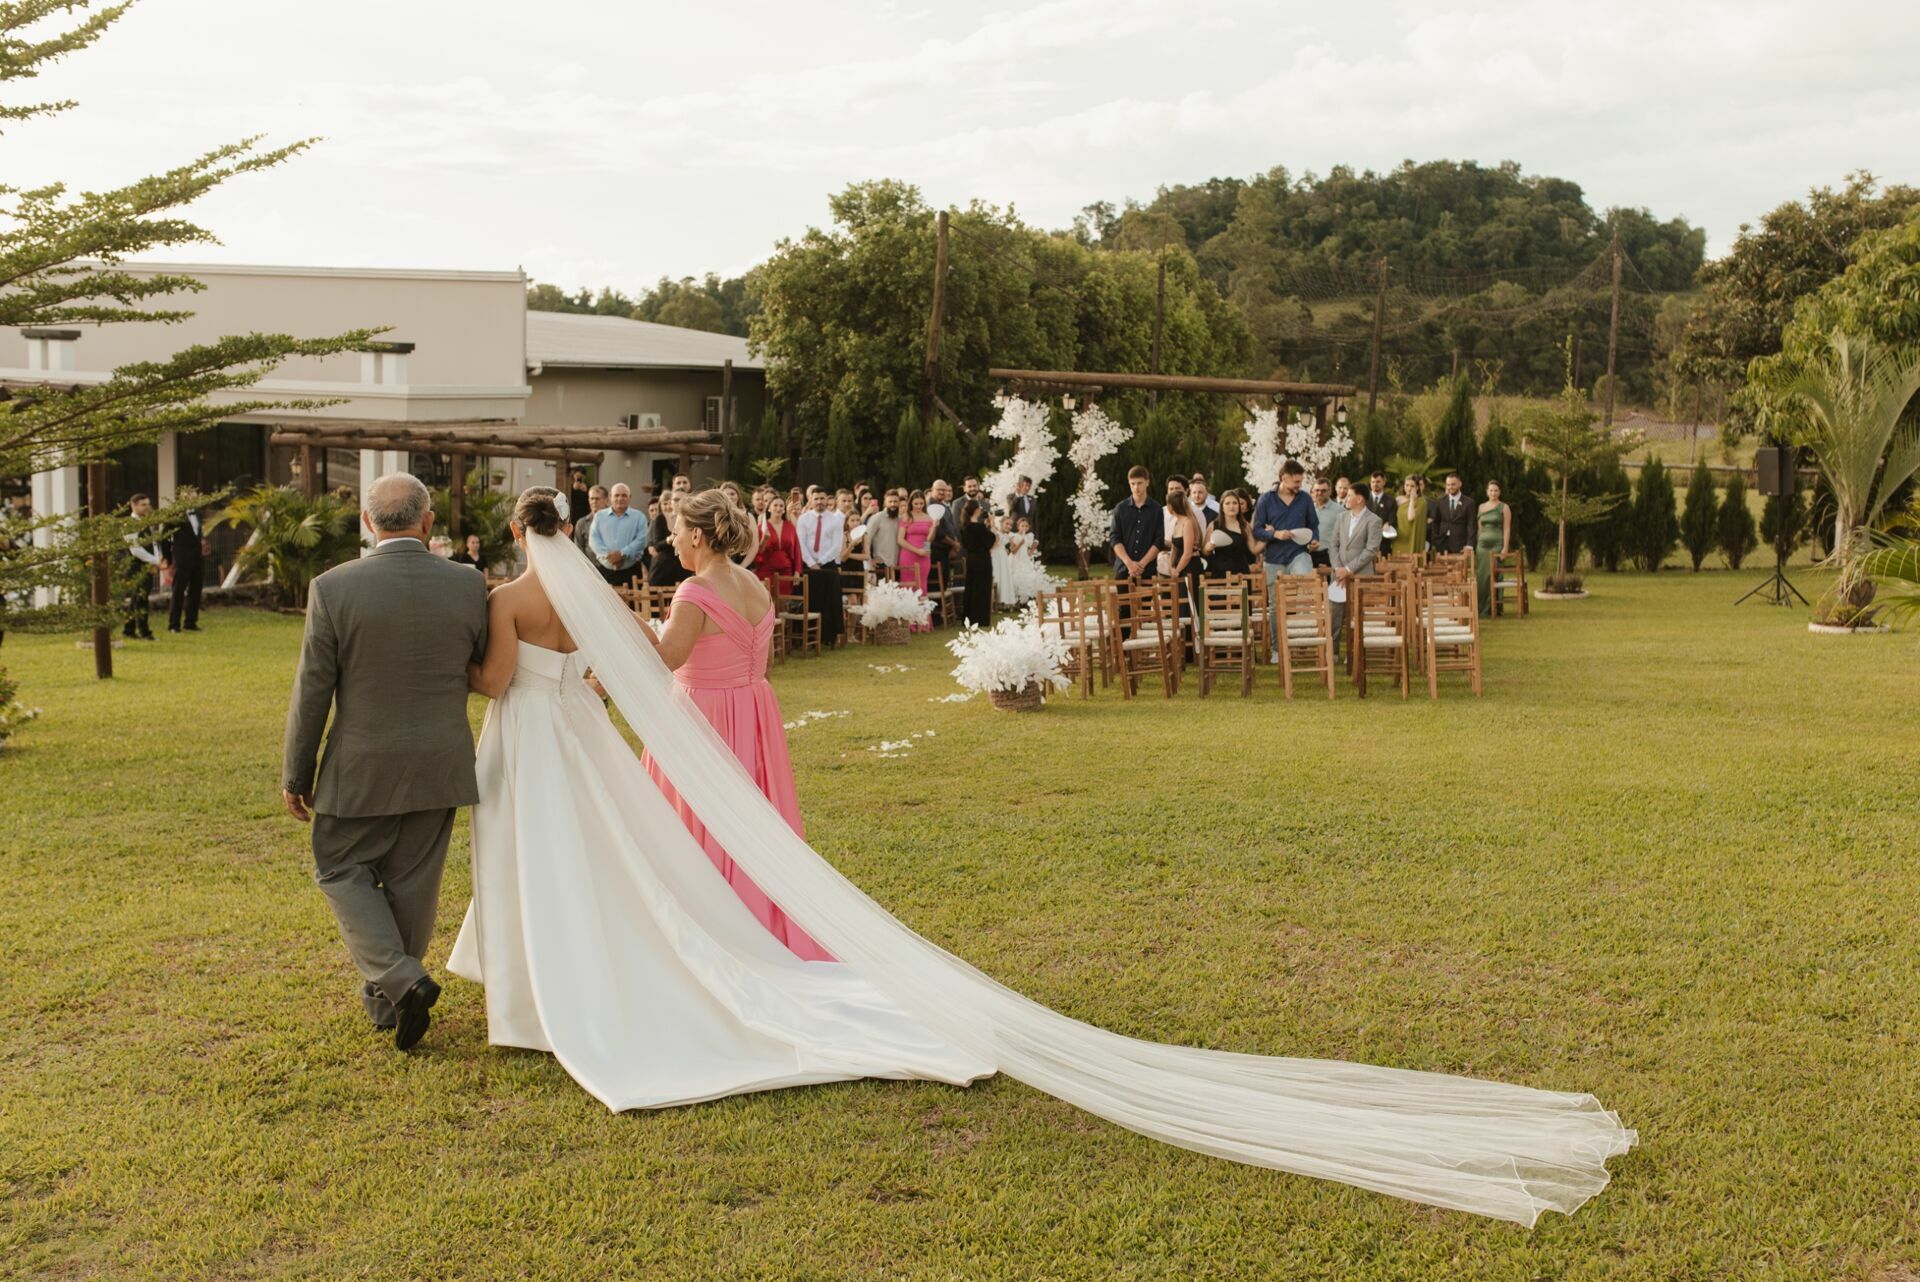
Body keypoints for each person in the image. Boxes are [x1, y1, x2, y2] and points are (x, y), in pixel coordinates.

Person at [431, 486, 1634, 1213]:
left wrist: (610, 649)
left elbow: (643, 664)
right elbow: (703, 656)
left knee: (691, 851)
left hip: (698, 726)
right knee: (741, 849)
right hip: (747, 726)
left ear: (690, 539)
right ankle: (759, 931)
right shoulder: (742, 589)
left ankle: (735, 945)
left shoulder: (665, 596)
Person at [281, 472, 489, 1049]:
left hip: (362, 764)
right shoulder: (469, 585)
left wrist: (296, 775)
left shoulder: (332, 588)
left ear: (368, 523)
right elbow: (481, 664)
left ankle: (400, 981)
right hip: (441, 761)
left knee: (337, 866)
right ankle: (392, 1000)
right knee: (412, 883)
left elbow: (312, 691)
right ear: (428, 521)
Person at [1252, 461, 1319, 656]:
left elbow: (1313, 525)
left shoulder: (1305, 499)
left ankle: (1302, 642)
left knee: (1306, 595)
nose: (1299, 485)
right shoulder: (1265, 499)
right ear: (1284, 478)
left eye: (1300, 481)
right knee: (1275, 605)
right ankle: (1277, 649)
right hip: (1274, 558)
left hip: (1298, 553)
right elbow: (1256, 529)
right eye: (1296, 481)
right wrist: (1275, 535)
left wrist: (1314, 539)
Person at [1327, 484, 1383, 657]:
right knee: (1335, 614)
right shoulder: (1341, 517)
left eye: (1349, 495)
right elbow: (1333, 544)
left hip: (1361, 575)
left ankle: (1356, 654)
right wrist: (1339, 569)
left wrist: (1349, 569)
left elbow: (1371, 550)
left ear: (1359, 499)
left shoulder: (1374, 520)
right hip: (1338, 575)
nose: (1345, 498)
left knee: (1358, 616)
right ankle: (1333, 652)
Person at [794, 487, 845, 647]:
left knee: (830, 602)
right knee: (809, 601)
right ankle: (805, 638)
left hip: (828, 566)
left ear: (828, 500)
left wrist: (821, 562)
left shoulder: (835, 520)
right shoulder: (803, 519)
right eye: (816, 499)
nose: (819, 502)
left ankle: (828, 637)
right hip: (808, 565)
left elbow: (837, 546)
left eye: (822, 498)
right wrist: (811, 563)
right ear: (811, 500)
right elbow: (800, 543)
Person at [589, 483, 647, 589]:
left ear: (630, 497)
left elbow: (642, 540)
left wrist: (622, 554)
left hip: (631, 571)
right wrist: (609, 555)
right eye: (617, 495)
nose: (620, 498)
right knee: (603, 604)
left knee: (632, 605)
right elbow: (593, 539)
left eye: (624, 495)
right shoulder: (599, 517)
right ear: (610, 497)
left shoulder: (639, 517)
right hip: (605, 571)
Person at [1109, 467, 1162, 581]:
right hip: (1123, 569)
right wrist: (1129, 564)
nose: (1136, 487)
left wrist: (1142, 564)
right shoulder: (1120, 509)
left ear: (1147, 482)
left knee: (1148, 600)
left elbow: (1159, 540)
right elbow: (1114, 538)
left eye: (1139, 483)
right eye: (1132, 484)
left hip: (1148, 570)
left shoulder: (1156, 509)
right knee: (1122, 600)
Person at [897, 491, 936, 632]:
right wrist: (916, 550)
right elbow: (900, 540)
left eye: (921, 504)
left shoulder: (929, 517)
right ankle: (908, 623)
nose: (919, 506)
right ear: (911, 503)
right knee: (908, 588)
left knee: (922, 587)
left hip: (924, 557)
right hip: (908, 555)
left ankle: (923, 623)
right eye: (916, 504)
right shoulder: (906, 516)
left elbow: (929, 540)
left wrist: (934, 527)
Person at [164, 504, 206, 632]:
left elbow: (197, 534)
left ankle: (190, 622)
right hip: (182, 558)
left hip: (197, 558)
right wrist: (168, 558)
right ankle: (174, 624)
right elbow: (165, 536)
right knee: (178, 591)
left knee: (196, 589)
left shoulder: (198, 513)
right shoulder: (176, 515)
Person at [123, 493, 160, 641]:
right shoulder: (129, 524)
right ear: (134, 505)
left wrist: (157, 559)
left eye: (147, 504)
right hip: (136, 567)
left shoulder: (146, 522)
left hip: (147, 565)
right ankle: (144, 632)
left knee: (137, 599)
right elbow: (135, 550)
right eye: (143, 505)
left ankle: (128, 629)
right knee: (140, 600)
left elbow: (153, 543)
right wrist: (154, 560)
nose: (146, 508)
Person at [1476, 479, 1512, 617]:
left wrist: (1505, 548)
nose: (1493, 493)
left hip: (1497, 544)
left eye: (1496, 490)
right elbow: (1479, 528)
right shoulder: (1481, 507)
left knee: (1494, 574)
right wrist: (1478, 543)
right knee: (1482, 576)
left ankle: (1494, 608)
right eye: (1491, 490)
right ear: (1487, 492)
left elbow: (1507, 529)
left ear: (1500, 492)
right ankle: (1481, 607)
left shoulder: (1504, 507)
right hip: (1482, 546)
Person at [751, 494, 801, 596]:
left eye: (781, 506)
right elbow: (757, 552)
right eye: (775, 505)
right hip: (766, 570)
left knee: (784, 603)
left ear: (784, 509)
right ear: (769, 508)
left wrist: (797, 571)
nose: (778, 508)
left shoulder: (790, 526)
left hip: (786, 571)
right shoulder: (761, 527)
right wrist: (764, 539)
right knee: (768, 601)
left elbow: (797, 550)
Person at [959, 500, 995, 627]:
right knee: (982, 588)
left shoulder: (965, 526)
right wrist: (992, 525)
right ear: (976, 510)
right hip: (982, 559)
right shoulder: (979, 527)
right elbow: (991, 541)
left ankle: (969, 617)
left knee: (971, 587)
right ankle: (981, 618)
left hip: (971, 559)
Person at [1205, 489, 1256, 579]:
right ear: (1222, 507)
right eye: (1227, 503)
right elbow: (1205, 552)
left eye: (1235, 503)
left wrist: (1268, 536)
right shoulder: (1213, 525)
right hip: (1220, 573)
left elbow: (1254, 549)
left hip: (1241, 573)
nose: (1231, 506)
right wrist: (1208, 548)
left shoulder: (1245, 525)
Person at [647, 493, 688, 588]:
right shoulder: (660, 518)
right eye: (675, 500)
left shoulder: (689, 519)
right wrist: (670, 539)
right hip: (662, 569)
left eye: (681, 500)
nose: (678, 503)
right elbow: (657, 546)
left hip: (682, 569)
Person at [1430, 472, 1474, 555]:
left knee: (1459, 568)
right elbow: (1436, 522)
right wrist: (1435, 540)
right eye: (1448, 485)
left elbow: (1471, 525)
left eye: (1453, 484)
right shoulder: (1440, 501)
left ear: (1460, 484)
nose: (1450, 487)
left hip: (1460, 545)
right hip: (1442, 544)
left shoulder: (1469, 503)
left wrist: (1469, 545)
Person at [866, 489, 902, 576]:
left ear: (899, 503)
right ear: (885, 503)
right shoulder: (876, 518)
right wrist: (870, 559)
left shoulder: (901, 519)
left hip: (897, 565)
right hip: (880, 564)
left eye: (895, 501)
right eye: (890, 501)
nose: (893, 504)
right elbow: (867, 540)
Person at [1310, 478, 1341, 570]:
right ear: (1312, 491)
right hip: (1308, 555)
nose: (1320, 493)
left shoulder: (1340, 511)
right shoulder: (1308, 509)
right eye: (1317, 490)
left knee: (1326, 584)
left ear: (1330, 491)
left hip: (1328, 557)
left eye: (1323, 491)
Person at [1397, 474, 1429, 559]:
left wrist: (1412, 500)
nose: (1409, 488)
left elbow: (1410, 517)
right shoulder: (1398, 499)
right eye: (1406, 485)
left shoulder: (1422, 502)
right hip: (1399, 538)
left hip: (1411, 539)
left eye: (1412, 486)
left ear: (1417, 487)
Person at [1365, 471, 1397, 556]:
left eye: (1378, 481)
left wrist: (1388, 524)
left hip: (1383, 543)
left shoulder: (1391, 501)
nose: (1375, 484)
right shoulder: (1364, 499)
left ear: (1384, 482)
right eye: (1373, 482)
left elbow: (1392, 521)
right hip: (1365, 542)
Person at [573, 484, 609, 555]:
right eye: (592, 498)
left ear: (606, 500)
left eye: (597, 498)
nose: (594, 501)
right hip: (588, 564)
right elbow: (578, 549)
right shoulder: (581, 523)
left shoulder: (614, 520)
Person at [990, 514, 1015, 607]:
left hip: (1003, 557)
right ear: (1001, 523)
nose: (1009, 526)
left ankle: (1002, 600)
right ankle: (995, 600)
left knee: (1004, 576)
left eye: (1010, 525)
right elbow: (994, 544)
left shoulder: (1005, 535)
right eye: (1007, 524)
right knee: (997, 575)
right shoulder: (996, 533)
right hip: (996, 556)